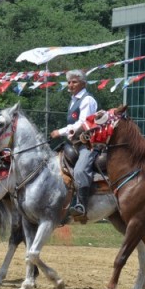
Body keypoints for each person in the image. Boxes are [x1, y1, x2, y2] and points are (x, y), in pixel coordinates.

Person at [50, 69, 98, 217]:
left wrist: (61, 131)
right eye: (69, 82)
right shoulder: (74, 100)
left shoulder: (87, 100)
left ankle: (81, 205)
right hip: (74, 144)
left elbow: (83, 123)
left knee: (79, 170)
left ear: (83, 83)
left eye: (74, 82)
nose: (70, 85)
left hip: (88, 145)